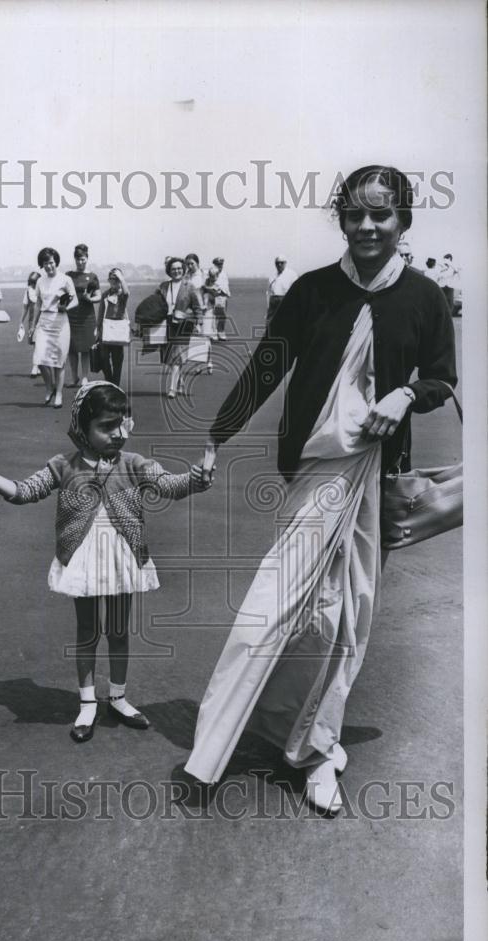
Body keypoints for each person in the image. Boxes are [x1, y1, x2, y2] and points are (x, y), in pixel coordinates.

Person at [185, 165, 457, 814]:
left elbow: (441, 381)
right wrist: (215, 437)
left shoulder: (423, 297)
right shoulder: (310, 292)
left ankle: (316, 753)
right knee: (271, 610)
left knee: (345, 621)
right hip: (312, 474)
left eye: (380, 215)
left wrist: (403, 393)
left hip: (377, 478)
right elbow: (265, 368)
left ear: (403, 221)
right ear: (340, 219)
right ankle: (213, 743)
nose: (366, 226)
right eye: (354, 214)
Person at [0, 382, 211, 741]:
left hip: (122, 559)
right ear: (82, 428)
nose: (117, 435)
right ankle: (87, 702)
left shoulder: (134, 464)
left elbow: (169, 485)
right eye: (106, 427)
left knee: (118, 632)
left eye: (122, 425)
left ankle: (117, 696)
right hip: (84, 560)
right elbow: (23, 492)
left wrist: (195, 481)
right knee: (87, 633)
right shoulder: (63, 466)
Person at [31, 247, 78, 408]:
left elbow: (75, 300)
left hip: (60, 322)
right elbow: (38, 304)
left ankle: (58, 394)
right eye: (45, 263)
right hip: (44, 321)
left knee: (59, 360)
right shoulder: (39, 281)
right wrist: (32, 326)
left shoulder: (65, 279)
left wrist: (67, 307)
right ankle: (49, 386)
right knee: (40, 359)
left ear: (55, 262)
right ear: (41, 265)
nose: (49, 266)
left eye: (51, 262)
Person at [159, 257, 203, 398]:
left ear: (183, 270)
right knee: (168, 358)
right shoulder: (163, 286)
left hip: (184, 325)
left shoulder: (189, 286)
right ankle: (180, 381)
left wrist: (198, 323)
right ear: (169, 271)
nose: (176, 271)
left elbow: (197, 307)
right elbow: (156, 304)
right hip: (167, 324)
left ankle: (172, 389)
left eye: (179, 268)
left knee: (177, 356)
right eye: (173, 269)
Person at [66, 243, 101, 386]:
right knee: (72, 348)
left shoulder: (93, 276)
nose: (80, 262)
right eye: (78, 259)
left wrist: (90, 299)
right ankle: (74, 377)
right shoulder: (68, 275)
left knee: (86, 348)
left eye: (83, 259)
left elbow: (98, 296)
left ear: (87, 258)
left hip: (87, 316)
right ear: (75, 259)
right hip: (70, 315)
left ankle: (85, 377)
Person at [96, 267, 130, 386]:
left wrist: (122, 278)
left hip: (118, 331)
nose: (114, 281)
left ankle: (115, 385)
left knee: (117, 360)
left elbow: (126, 293)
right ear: (108, 280)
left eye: (117, 279)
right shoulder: (105, 294)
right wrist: (97, 328)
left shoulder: (122, 294)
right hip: (105, 330)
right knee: (104, 358)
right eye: (112, 279)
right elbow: (101, 312)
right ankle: (109, 381)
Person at [18, 271, 40, 377]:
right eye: (31, 282)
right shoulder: (28, 291)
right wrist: (21, 321)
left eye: (35, 282)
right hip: (32, 321)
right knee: (36, 344)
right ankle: (35, 366)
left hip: (44, 320)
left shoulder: (43, 290)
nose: (33, 284)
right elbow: (25, 307)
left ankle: (38, 366)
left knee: (42, 345)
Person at [266, 254, 298, 325]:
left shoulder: (292, 274)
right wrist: (268, 308)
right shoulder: (272, 276)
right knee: (270, 323)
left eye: (281, 263)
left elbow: (296, 291)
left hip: (285, 300)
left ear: (285, 263)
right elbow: (269, 292)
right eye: (277, 263)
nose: (279, 265)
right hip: (273, 302)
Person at [211, 256, 231, 340]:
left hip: (224, 296)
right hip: (215, 295)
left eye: (221, 264)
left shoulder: (224, 273)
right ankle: (213, 332)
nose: (220, 266)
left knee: (223, 315)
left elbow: (226, 284)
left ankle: (221, 331)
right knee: (214, 315)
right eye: (218, 264)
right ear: (214, 264)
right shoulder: (211, 273)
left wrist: (227, 293)